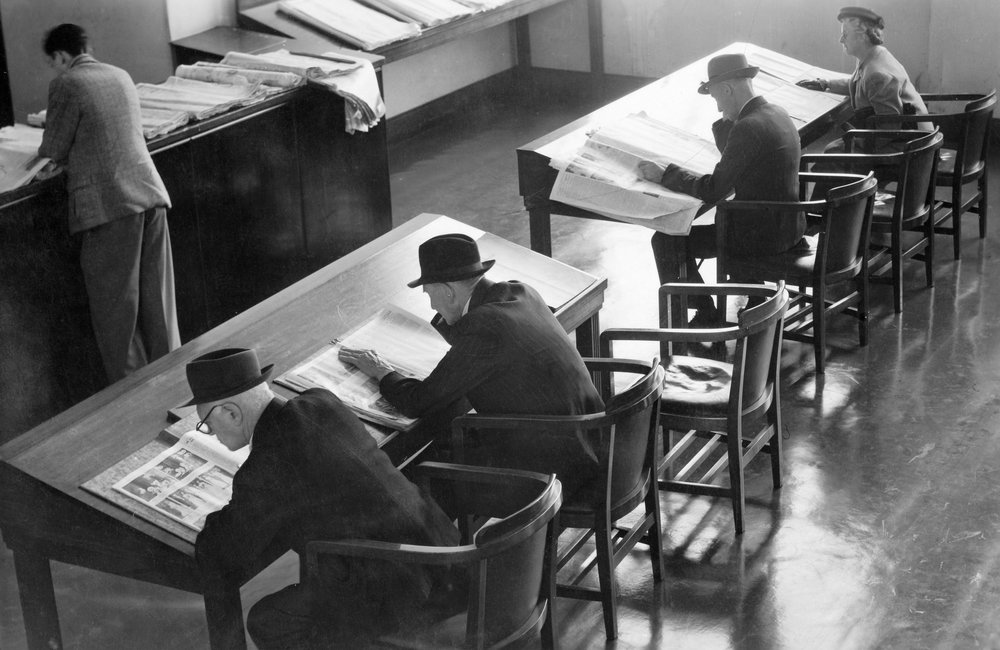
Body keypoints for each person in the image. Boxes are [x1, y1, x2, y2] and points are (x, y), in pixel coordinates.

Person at [186, 347, 460, 648]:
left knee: (267, 620)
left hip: (398, 595)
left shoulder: (266, 464)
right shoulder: (320, 400)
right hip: (440, 552)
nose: (210, 433)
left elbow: (221, 549)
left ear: (232, 412)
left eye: (207, 425)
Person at [338, 233, 604, 497]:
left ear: (448, 291)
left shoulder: (484, 326)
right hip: (593, 441)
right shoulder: (519, 291)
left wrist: (380, 370)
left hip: (558, 469)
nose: (430, 303)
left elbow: (419, 402)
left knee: (421, 473)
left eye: (430, 293)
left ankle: (451, 536)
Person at [38, 23, 180, 382]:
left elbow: (52, 149)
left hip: (109, 206)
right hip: (150, 194)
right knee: (159, 305)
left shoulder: (67, 83)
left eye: (53, 62)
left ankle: (132, 400)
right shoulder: (119, 75)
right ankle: (174, 384)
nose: (55, 68)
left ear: (61, 56)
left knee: (117, 314)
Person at [637, 53, 806, 324]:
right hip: (789, 226)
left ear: (727, 89)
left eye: (716, 98)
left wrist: (665, 174)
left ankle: (705, 312)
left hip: (761, 237)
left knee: (665, 239)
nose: (717, 107)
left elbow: (714, 189)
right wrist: (730, 120)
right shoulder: (777, 112)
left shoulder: (748, 127)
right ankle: (754, 293)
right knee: (730, 218)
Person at [797, 7, 930, 138]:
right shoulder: (874, 55)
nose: (841, 40)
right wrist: (826, 84)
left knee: (830, 152)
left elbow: (889, 130)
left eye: (845, 34)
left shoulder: (877, 75)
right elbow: (858, 84)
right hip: (909, 137)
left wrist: (856, 141)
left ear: (862, 37)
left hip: (909, 147)